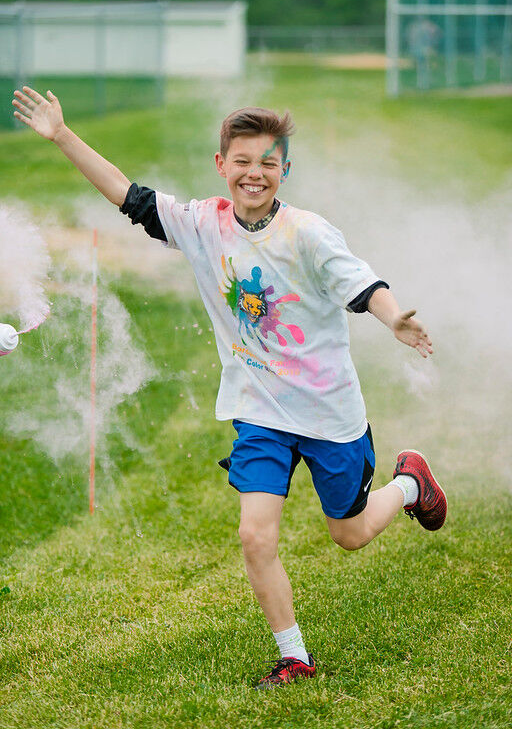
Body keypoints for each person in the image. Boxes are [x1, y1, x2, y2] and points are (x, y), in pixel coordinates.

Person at [12, 87, 447, 689]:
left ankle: (407, 484)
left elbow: (362, 285)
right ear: (222, 166)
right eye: (242, 161)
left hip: (329, 414)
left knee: (349, 535)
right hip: (260, 411)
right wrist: (62, 135)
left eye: (268, 162)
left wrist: (394, 316)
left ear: (284, 170)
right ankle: (294, 655)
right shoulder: (202, 225)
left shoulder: (308, 233)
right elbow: (126, 194)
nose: (254, 173)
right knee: (253, 534)